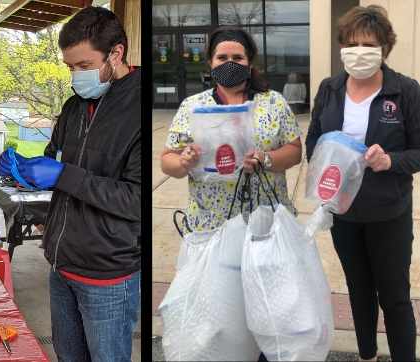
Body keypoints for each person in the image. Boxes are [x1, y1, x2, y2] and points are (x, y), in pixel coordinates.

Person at [0, 7, 140, 361]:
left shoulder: (138, 108)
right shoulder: (74, 107)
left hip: (108, 271)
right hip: (61, 263)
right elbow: (54, 158)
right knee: (68, 355)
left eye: (84, 66)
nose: (76, 76)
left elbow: (136, 199)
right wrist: (23, 171)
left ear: (116, 53)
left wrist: (63, 175)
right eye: (69, 67)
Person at [306, 6, 417, 361]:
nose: (359, 51)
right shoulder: (330, 88)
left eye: (368, 44)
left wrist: (391, 161)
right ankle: (366, 354)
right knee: (359, 289)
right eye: (351, 44)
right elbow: (314, 141)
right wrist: (326, 166)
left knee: (395, 295)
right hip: (344, 212)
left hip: (389, 213)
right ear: (342, 47)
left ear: (384, 47)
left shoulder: (406, 91)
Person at [160, 26, 302, 233]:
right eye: (222, 57)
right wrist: (183, 162)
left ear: (249, 63)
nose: (230, 63)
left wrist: (265, 159)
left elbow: (295, 151)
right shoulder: (193, 107)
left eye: (237, 57)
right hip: (211, 222)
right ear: (211, 63)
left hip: (266, 222)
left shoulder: (274, 102)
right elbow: (167, 159)